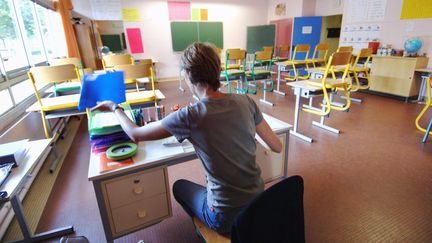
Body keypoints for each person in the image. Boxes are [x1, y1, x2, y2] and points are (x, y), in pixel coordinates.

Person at [91, 42, 282, 234]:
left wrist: (115, 108)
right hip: (258, 205)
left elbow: (135, 134)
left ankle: (203, 230)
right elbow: (277, 146)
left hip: (226, 217)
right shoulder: (245, 101)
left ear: (188, 76)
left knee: (179, 187)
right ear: (217, 70)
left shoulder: (190, 115)